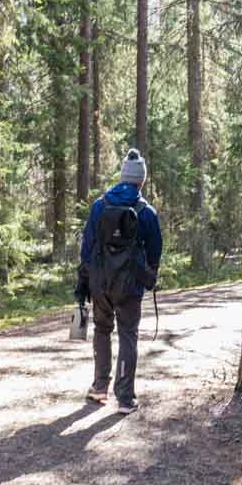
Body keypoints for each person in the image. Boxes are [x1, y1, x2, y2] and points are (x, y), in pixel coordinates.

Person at [75, 148, 163, 414]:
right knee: (128, 335)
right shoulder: (146, 212)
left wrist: (86, 279)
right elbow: (155, 250)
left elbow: (87, 247)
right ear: (142, 180)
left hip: (100, 283)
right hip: (129, 286)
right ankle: (125, 398)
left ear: (123, 176)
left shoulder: (99, 205)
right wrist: (148, 275)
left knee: (102, 330)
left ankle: (100, 387)